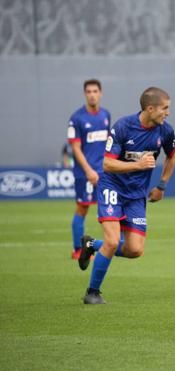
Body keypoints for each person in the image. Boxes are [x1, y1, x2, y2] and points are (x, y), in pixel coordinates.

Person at [77, 87, 175, 304]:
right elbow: (107, 164)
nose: (168, 113)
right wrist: (139, 164)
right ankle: (92, 292)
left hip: (136, 195)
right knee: (112, 242)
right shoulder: (123, 126)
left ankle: (92, 245)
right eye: (165, 108)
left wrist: (161, 185)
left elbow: (172, 155)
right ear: (150, 109)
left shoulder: (165, 132)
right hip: (112, 187)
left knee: (135, 250)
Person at [67, 79, 111, 260]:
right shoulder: (76, 118)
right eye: (89, 91)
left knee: (108, 209)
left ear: (100, 93)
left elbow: (109, 144)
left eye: (95, 91)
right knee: (82, 208)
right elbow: (75, 148)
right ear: (85, 94)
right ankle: (78, 250)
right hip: (84, 173)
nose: (92, 94)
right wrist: (89, 171)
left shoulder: (106, 115)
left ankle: (108, 246)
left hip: (104, 172)